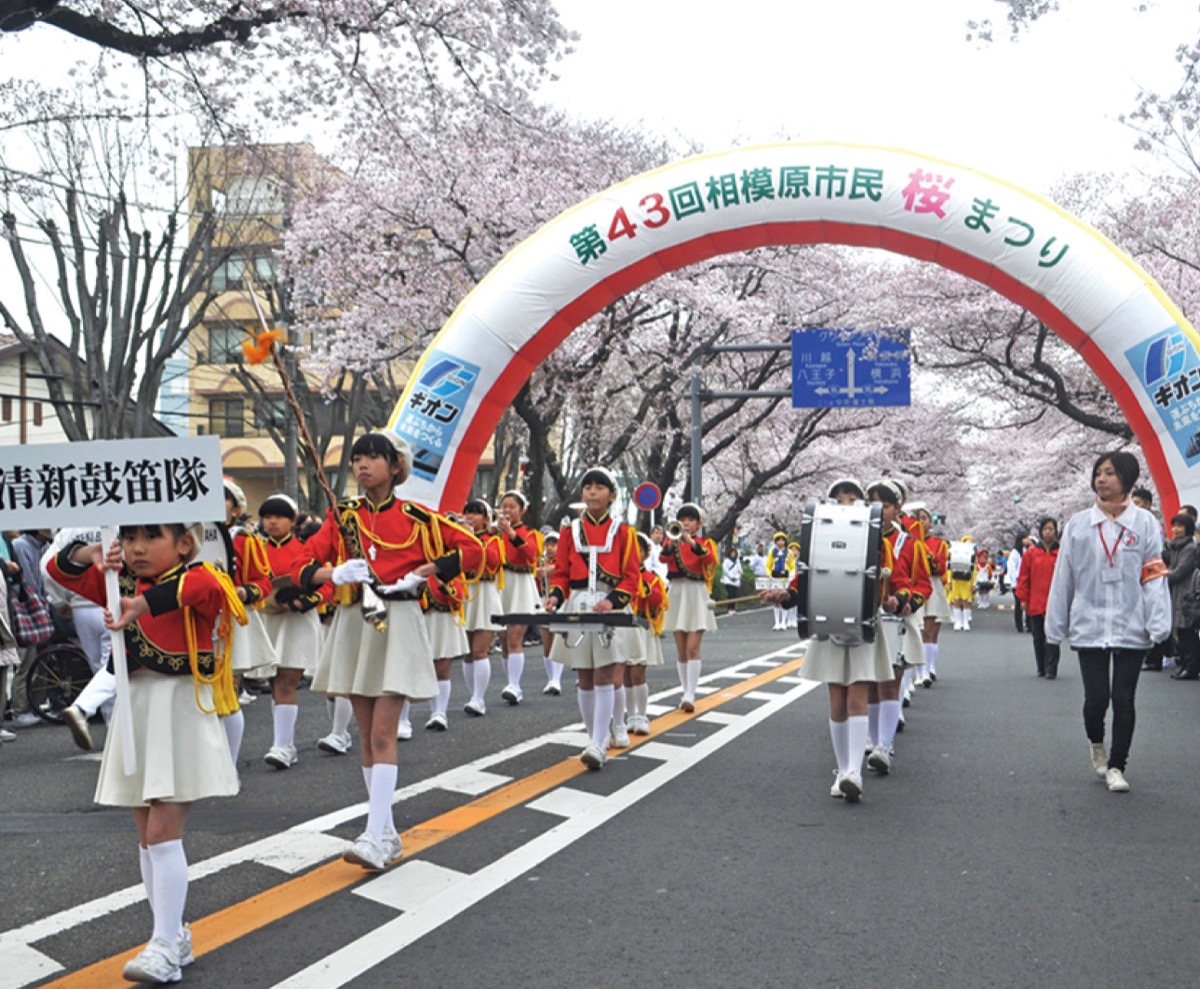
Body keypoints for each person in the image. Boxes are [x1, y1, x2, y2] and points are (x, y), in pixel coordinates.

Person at [47, 523, 242, 984]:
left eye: (152, 537)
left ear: (184, 544)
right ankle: (172, 937)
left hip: (179, 709)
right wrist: (93, 551)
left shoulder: (199, 578)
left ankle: (162, 943)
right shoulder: (119, 580)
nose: (137, 547)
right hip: (136, 711)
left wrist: (141, 605)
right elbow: (57, 568)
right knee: (145, 835)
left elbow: (208, 584)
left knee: (161, 833)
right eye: (130, 537)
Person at [293, 430, 483, 869]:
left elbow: (473, 549)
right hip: (356, 618)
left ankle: (374, 835)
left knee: (383, 733)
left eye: (373, 458)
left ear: (396, 466)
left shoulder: (418, 517)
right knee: (365, 737)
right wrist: (333, 573)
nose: (362, 466)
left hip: (396, 619)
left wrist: (425, 572)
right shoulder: (342, 515)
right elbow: (297, 564)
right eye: (357, 458)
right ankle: (387, 832)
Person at [1044, 450, 1171, 794]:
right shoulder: (1079, 525)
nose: (1102, 479)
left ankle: (1117, 765)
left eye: (1110, 473)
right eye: (1098, 473)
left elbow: (1154, 576)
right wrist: (1055, 627)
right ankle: (1097, 743)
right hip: (1090, 623)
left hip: (1132, 623)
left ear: (1127, 479)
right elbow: (1064, 577)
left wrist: (1159, 623)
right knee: (1096, 699)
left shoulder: (1145, 524)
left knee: (1124, 699)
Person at [763, 478, 893, 801]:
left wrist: (891, 594)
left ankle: (855, 773)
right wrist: (786, 596)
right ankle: (842, 769)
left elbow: (887, 580)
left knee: (856, 698)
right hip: (828, 624)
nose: (845, 504)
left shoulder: (876, 537)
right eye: (839, 499)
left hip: (862, 624)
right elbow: (803, 578)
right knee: (836, 700)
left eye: (852, 499)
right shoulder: (817, 534)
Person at [543, 466, 641, 770]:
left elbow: (631, 577)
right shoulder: (569, 532)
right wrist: (556, 597)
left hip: (609, 606)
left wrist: (612, 601)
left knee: (604, 674)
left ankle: (599, 743)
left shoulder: (625, 533)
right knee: (583, 675)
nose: (592, 492)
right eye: (588, 487)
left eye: (600, 487)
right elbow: (561, 573)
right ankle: (593, 738)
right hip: (577, 603)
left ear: (612, 496)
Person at [257, 493, 331, 768]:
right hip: (269, 619)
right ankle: (282, 742)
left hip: (298, 620)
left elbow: (327, 583)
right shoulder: (256, 548)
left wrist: (304, 601)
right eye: (267, 516)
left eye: (278, 516)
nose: (271, 522)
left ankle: (283, 746)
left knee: (287, 680)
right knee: (275, 681)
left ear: (292, 520)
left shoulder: (306, 549)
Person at [864, 479, 930, 776]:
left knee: (891, 681)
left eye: (885, 505)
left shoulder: (910, 545)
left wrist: (906, 602)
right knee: (869, 684)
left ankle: (884, 746)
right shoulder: (860, 538)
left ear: (897, 509)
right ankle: (871, 737)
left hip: (896, 621)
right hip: (865, 617)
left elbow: (923, 585)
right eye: (871, 505)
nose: (878, 511)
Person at [660, 503, 718, 712]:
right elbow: (662, 558)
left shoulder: (706, 543)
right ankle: (685, 691)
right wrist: (672, 541)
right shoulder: (671, 541)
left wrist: (690, 541)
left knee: (693, 647)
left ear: (698, 523)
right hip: (676, 591)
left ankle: (691, 693)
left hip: (696, 593)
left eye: (690, 520)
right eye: (683, 519)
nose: (685, 523)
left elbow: (710, 559)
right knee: (681, 648)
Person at [496, 490, 549, 704]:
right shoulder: (494, 534)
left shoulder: (530, 533)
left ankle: (515, 685)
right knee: (502, 639)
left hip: (521, 583)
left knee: (514, 636)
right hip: (501, 583)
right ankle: (510, 682)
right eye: (504, 506)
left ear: (522, 510)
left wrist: (511, 534)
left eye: (512, 507)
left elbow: (531, 555)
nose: (507, 510)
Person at [460, 499, 504, 715]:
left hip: (485, 593)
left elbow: (492, 560)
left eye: (475, 514)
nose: (469, 517)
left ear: (486, 518)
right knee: (467, 653)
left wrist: (472, 537)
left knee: (479, 650)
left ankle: (479, 698)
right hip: (466, 592)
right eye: (466, 513)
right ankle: (474, 696)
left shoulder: (493, 539)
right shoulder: (459, 539)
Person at [626, 532, 668, 736]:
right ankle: (630, 715)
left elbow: (657, 600)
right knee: (625, 672)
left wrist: (640, 582)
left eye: (639, 550)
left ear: (645, 553)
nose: (634, 554)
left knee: (637, 672)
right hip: (623, 626)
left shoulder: (652, 578)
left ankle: (642, 715)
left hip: (642, 626)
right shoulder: (620, 577)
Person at [907, 503, 950, 687]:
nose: (920, 522)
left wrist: (928, 556)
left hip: (931, 584)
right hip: (912, 585)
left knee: (930, 631)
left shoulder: (938, 544)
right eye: (916, 518)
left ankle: (928, 668)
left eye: (923, 518)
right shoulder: (906, 541)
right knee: (916, 630)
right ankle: (919, 671)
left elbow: (940, 567)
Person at [1015, 518, 1061, 678]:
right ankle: (1041, 665)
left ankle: (1051, 667)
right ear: (1041, 532)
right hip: (1036, 600)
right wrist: (1023, 598)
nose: (1048, 532)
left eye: (1051, 529)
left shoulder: (1061, 553)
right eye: (1045, 529)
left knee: (1053, 635)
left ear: (1055, 531)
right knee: (1038, 635)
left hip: (1055, 601)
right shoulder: (1031, 554)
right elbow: (1024, 577)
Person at [1165, 513, 1200, 680]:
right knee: (1181, 630)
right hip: (1177, 591)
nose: (1176, 529)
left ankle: (1191, 667)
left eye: (1180, 526)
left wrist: (1161, 574)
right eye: (1174, 526)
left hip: (1188, 592)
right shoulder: (1175, 546)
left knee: (1188, 630)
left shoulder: (1190, 548)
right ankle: (1186, 665)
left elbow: (1179, 571)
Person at [947, 536, 977, 630]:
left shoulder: (972, 555)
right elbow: (949, 568)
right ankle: (958, 621)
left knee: (966, 601)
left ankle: (965, 621)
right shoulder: (955, 553)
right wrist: (949, 581)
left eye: (970, 542)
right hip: (956, 580)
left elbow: (974, 571)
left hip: (967, 581)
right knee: (956, 600)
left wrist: (974, 583)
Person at [765, 531, 791, 630]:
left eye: (782, 540)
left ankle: (784, 622)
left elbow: (792, 565)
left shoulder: (789, 552)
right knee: (776, 600)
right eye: (778, 540)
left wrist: (791, 575)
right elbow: (768, 564)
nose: (780, 542)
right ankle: (777, 622)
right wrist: (769, 574)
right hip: (775, 578)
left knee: (784, 599)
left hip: (785, 578)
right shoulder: (772, 552)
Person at [721, 547, 742, 614]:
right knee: (730, 594)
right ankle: (729, 608)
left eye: (734, 553)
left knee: (734, 595)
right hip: (728, 581)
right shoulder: (726, 561)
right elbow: (725, 570)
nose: (733, 554)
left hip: (736, 581)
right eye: (732, 553)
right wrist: (731, 577)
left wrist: (737, 577)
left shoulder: (737, 561)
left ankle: (733, 608)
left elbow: (740, 571)